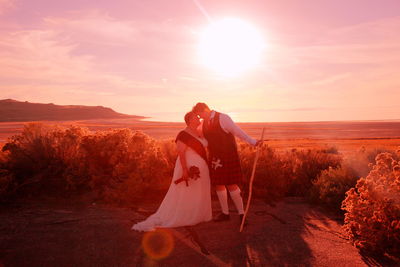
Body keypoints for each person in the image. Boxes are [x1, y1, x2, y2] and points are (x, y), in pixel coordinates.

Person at [131, 111, 212, 232]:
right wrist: (185, 170)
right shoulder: (183, 135)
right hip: (189, 166)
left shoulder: (199, 132)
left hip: (202, 168)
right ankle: (185, 216)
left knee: (199, 191)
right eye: (196, 117)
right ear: (189, 120)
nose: (199, 118)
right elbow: (181, 153)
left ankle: (198, 214)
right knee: (187, 193)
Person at [192, 103, 262, 225]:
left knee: (231, 185)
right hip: (214, 158)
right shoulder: (204, 123)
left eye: (201, 115)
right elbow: (200, 137)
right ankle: (225, 213)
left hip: (228, 155)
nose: (201, 118)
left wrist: (253, 142)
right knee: (218, 184)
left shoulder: (223, 118)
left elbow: (238, 132)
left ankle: (242, 214)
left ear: (205, 110)